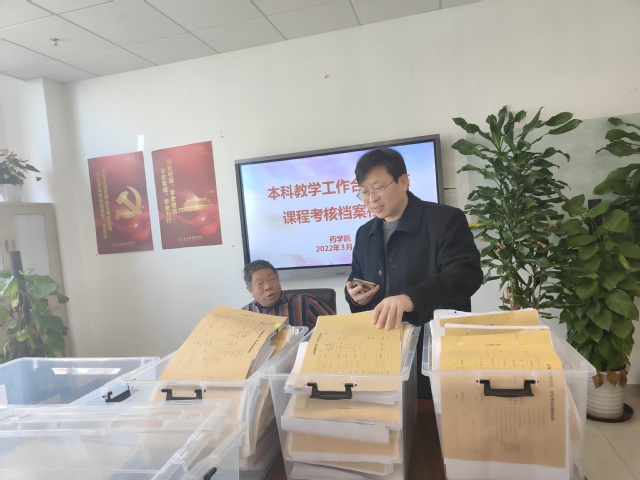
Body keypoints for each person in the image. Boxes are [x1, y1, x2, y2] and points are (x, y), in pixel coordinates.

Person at [345, 147, 483, 398]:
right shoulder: (365, 233)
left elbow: (466, 274)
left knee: (432, 415)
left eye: (378, 188)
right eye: (364, 192)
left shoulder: (444, 219)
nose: (371, 199)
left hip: (434, 347)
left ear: (404, 181)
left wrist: (410, 298)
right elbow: (356, 275)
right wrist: (356, 296)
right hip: (384, 349)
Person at [242, 259, 335, 329]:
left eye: (271, 279)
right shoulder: (244, 315)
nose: (268, 286)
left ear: (278, 280)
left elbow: (337, 328)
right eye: (260, 284)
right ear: (250, 290)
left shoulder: (304, 302)